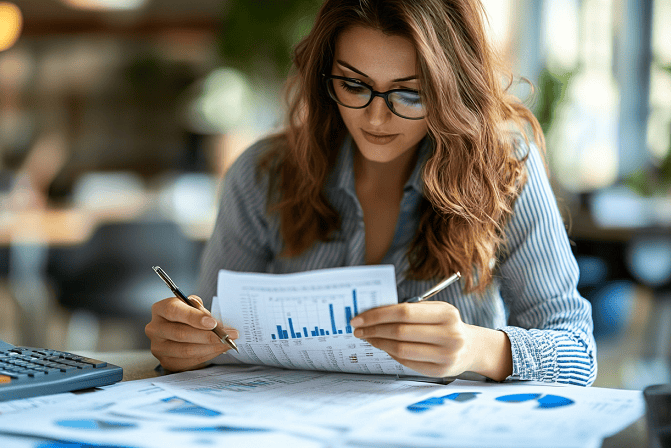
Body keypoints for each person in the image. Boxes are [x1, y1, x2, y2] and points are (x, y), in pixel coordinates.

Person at [145, 0, 597, 386]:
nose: (376, 119)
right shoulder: (263, 174)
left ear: (451, 90)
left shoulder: (502, 169)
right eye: (354, 85)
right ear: (326, 77)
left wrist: (478, 350)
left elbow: (578, 352)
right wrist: (185, 345)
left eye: (410, 94)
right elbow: (211, 345)